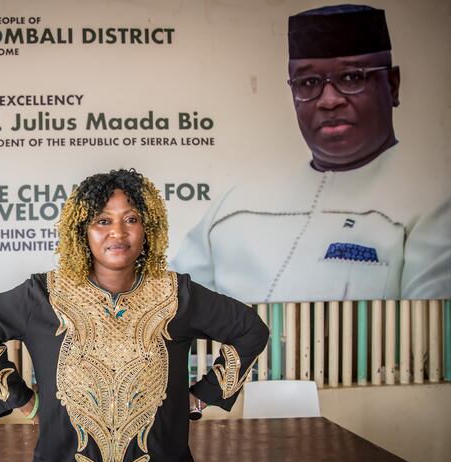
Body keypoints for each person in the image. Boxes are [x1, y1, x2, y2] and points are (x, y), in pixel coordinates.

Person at [0, 169, 269, 462]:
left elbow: (250, 330)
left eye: (131, 219)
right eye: (103, 220)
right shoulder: (42, 296)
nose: (117, 232)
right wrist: (25, 401)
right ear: (82, 232)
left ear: (147, 229)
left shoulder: (176, 296)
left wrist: (201, 397)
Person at [170, 4, 450, 302]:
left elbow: (430, 337)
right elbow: (170, 315)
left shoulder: (433, 203)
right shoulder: (236, 204)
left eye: (352, 78)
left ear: (392, 85)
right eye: (309, 83)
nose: (329, 100)